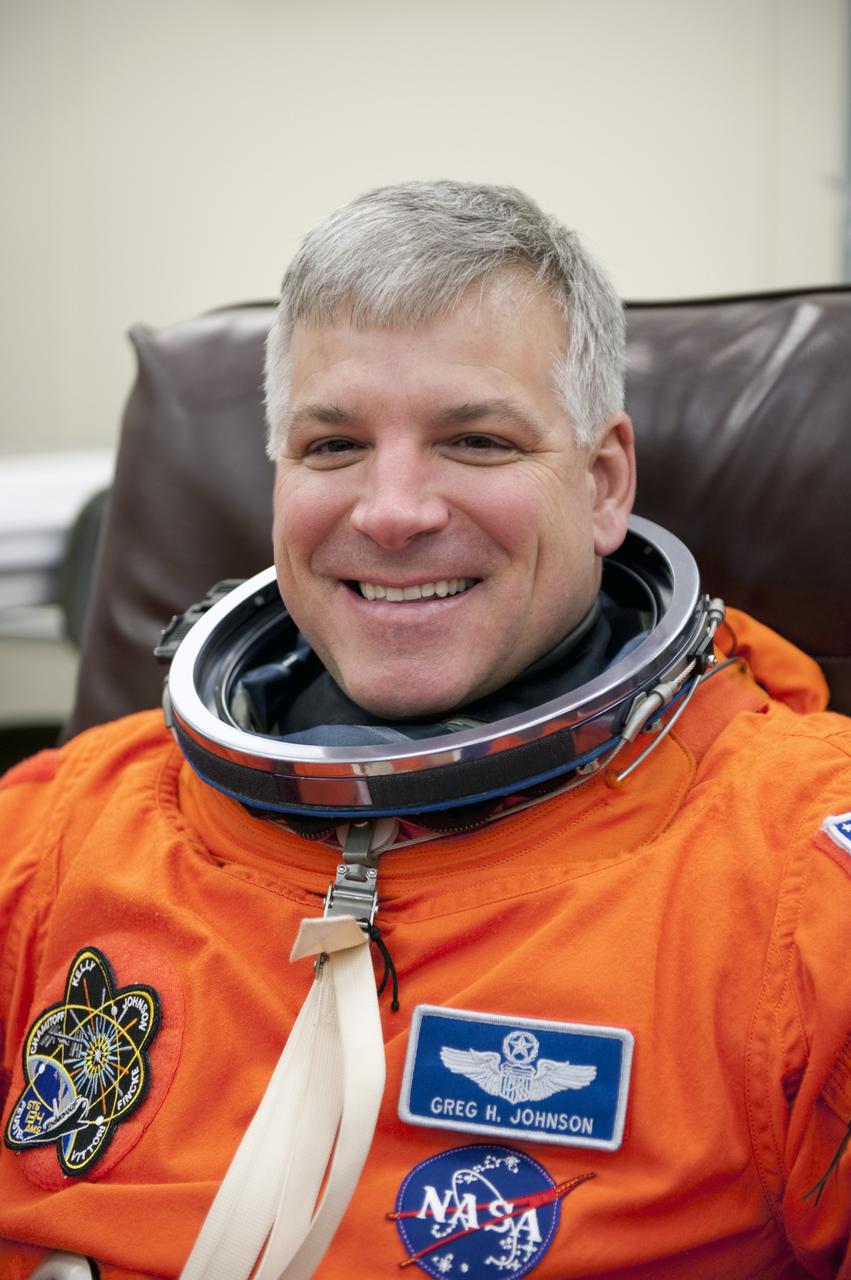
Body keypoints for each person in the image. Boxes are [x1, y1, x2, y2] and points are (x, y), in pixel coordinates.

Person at [0, 181, 849, 1280]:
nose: (392, 511)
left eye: (476, 440)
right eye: (332, 445)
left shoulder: (796, 886)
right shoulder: (55, 832)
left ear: (601, 485)